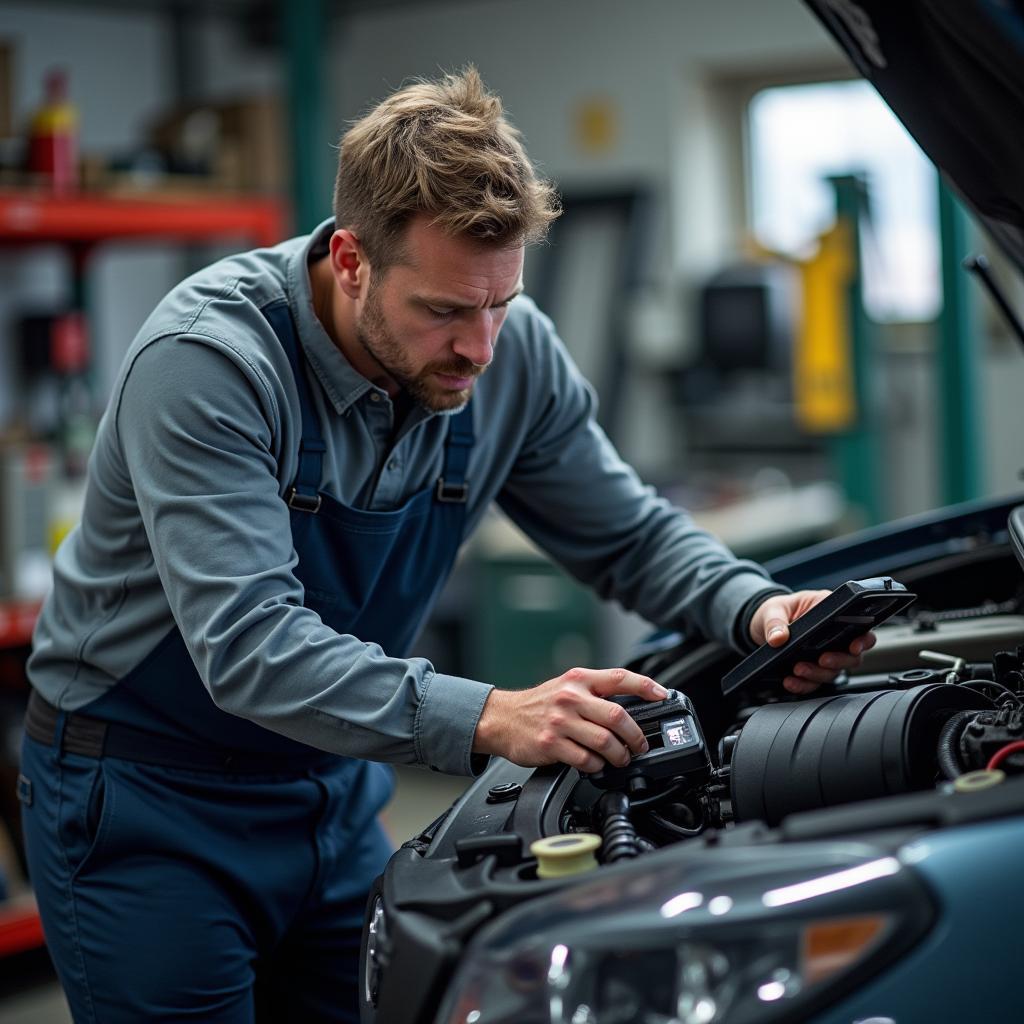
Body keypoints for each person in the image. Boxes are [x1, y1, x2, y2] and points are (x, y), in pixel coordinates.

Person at [18, 67, 872, 1022]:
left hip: (329, 788)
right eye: (444, 311)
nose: (482, 347)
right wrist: (489, 715)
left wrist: (752, 607)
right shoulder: (210, 364)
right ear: (350, 261)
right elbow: (250, 647)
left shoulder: (513, 354)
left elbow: (627, 532)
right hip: (146, 800)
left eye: (500, 303)